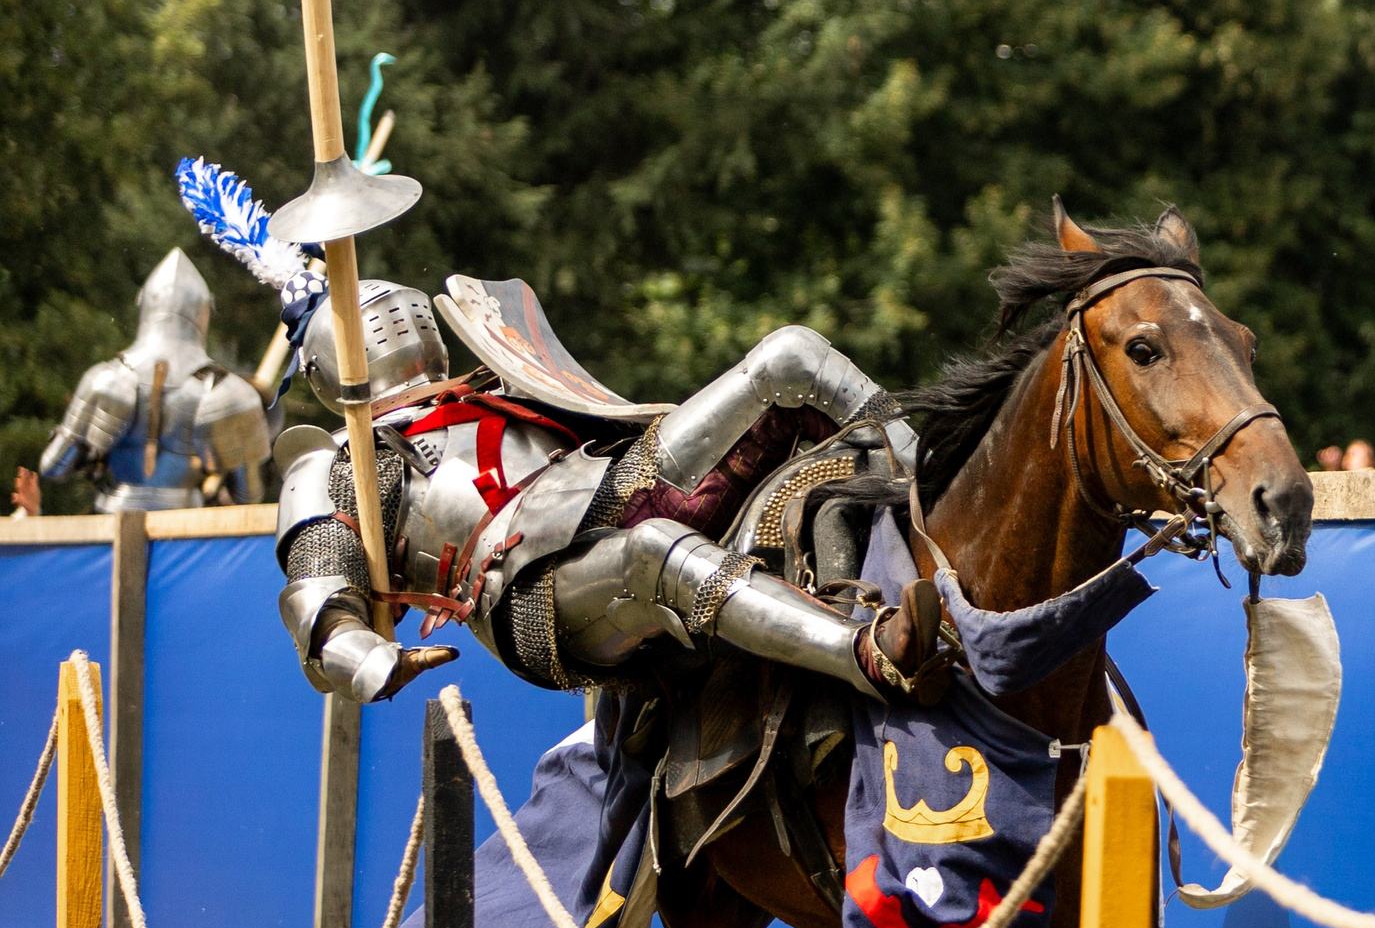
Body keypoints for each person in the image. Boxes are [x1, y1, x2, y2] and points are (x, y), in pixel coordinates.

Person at [269, 279, 940, 706]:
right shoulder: (340, 463)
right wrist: (374, 659)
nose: (400, 325)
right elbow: (321, 610)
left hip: (604, 481)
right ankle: (871, 652)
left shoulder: (494, 379)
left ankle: (937, 493)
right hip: (523, 587)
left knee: (789, 356)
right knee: (653, 551)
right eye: (378, 321)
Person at [38, 251, 271, 511]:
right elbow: (248, 496)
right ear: (204, 312)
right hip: (186, 527)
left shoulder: (105, 379)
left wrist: (90, 455)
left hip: (113, 515)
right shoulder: (228, 392)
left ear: (144, 303)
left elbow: (53, 468)